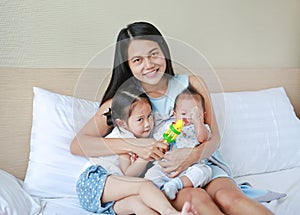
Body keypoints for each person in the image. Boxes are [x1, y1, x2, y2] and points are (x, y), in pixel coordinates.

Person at [71, 21, 273, 214]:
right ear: (128, 65)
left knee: (229, 198)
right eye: (137, 60)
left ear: (164, 52)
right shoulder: (124, 102)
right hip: (167, 174)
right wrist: (133, 145)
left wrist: (192, 157)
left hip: (204, 165)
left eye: (153, 54)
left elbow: (215, 138)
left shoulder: (192, 83)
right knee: (198, 200)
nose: (149, 64)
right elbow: (79, 144)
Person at [76, 86, 196, 214]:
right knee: (145, 185)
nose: (147, 123)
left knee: (139, 204)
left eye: (149, 116)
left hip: (104, 197)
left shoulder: (141, 135)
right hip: (94, 181)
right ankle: (170, 213)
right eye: (140, 119)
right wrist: (146, 155)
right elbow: (128, 174)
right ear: (122, 123)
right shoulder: (123, 138)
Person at [145, 86, 213, 200]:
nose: (188, 118)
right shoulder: (169, 127)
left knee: (204, 172)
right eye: (183, 113)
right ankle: (152, 193)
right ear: (175, 114)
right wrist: (168, 138)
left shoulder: (201, 128)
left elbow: (203, 139)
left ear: (203, 115)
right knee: (151, 175)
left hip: (191, 167)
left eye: (194, 114)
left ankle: (176, 184)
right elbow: (159, 143)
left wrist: (197, 122)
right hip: (167, 165)